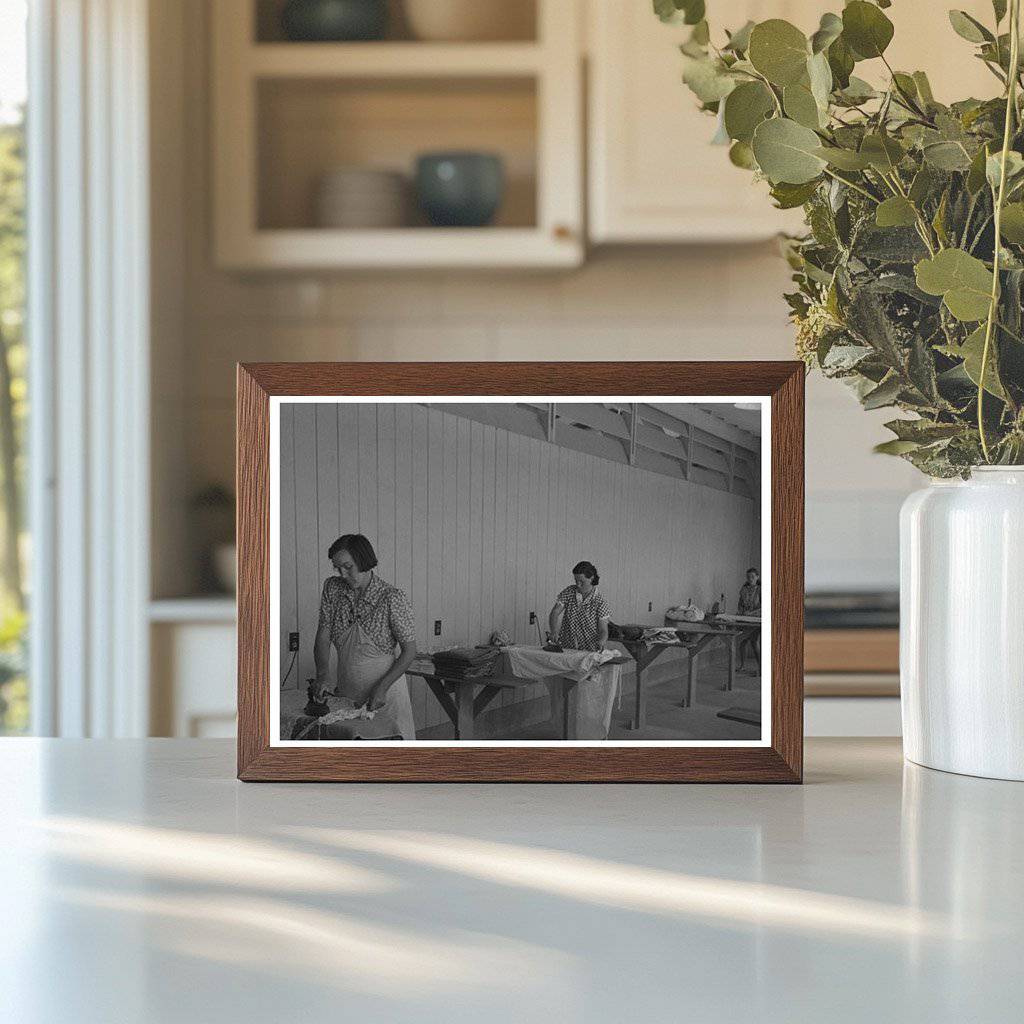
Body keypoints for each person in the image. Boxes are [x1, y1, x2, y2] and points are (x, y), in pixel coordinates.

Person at [292, 533, 417, 740]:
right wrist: (323, 674)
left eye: (348, 567)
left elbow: (410, 651)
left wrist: (382, 688)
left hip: (386, 694)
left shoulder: (391, 597)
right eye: (337, 568)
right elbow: (323, 636)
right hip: (347, 693)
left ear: (364, 560)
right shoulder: (333, 589)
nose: (342, 574)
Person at [547, 561, 611, 652]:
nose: (578, 584)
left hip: (589, 650)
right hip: (567, 647)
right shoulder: (569, 592)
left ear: (591, 578)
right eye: (576, 581)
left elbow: (603, 630)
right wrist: (554, 631)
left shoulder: (600, 602)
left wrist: (601, 641)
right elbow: (555, 612)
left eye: (581, 581)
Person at [737, 567, 761, 672]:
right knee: (742, 642)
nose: (750, 579)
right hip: (744, 619)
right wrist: (740, 612)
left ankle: (761, 668)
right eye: (748, 577)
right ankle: (742, 666)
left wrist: (751, 613)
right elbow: (740, 604)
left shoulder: (760, 589)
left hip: (756, 619)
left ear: (757, 577)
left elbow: (764, 607)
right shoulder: (743, 589)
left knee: (754, 642)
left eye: (752, 577)